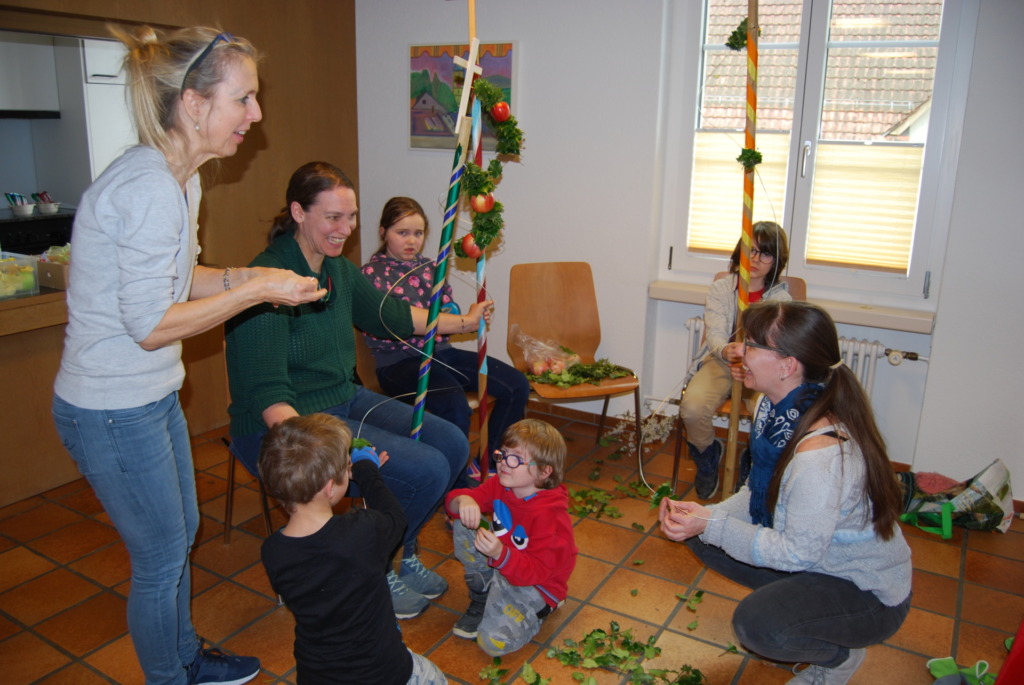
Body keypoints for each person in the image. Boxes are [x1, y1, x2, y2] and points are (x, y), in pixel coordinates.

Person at [50, 26, 325, 685]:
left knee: (182, 533)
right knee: (159, 554)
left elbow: (180, 280)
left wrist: (252, 278)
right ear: (196, 104)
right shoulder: (146, 188)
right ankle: (169, 674)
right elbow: (150, 325)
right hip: (110, 406)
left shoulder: (181, 179)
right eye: (245, 99)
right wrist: (258, 286)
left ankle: (183, 656)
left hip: (146, 395)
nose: (255, 116)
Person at [225, 161, 492, 619]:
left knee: (449, 441)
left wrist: (465, 321)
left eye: (351, 218)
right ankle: (375, 568)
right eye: (333, 217)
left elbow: (396, 315)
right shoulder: (265, 281)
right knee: (426, 467)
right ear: (298, 212)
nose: (345, 229)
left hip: (342, 400)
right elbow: (268, 396)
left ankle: (401, 553)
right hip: (283, 427)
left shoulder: (340, 272)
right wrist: (335, 452)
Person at [659, 301, 912, 685]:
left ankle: (836, 656)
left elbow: (797, 552)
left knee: (758, 627)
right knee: (700, 532)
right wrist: (706, 519)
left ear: (786, 365)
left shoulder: (819, 457)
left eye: (753, 344)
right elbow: (757, 489)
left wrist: (713, 522)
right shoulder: (770, 406)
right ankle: (803, 613)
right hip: (817, 559)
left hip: (865, 591)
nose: (740, 350)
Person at [258, 414, 447, 685]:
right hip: (381, 670)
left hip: (317, 675)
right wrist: (368, 470)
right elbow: (395, 517)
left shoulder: (273, 550)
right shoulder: (362, 532)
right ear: (329, 487)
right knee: (434, 678)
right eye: (346, 467)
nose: (350, 470)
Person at [361, 196, 530, 482]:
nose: (411, 241)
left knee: (515, 386)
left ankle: (484, 464)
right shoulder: (370, 275)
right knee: (454, 404)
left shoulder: (431, 269)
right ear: (383, 232)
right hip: (400, 363)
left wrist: (470, 318)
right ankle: (455, 483)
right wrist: (464, 321)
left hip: (441, 353)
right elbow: (402, 322)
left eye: (418, 233)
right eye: (401, 233)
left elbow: (447, 317)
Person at [444, 419, 578, 657]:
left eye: (515, 458)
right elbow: (455, 503)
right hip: (504, 561)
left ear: (544, 471)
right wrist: (465, 501)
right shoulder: (501, 484)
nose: (505, 463)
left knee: (492, 643)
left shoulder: (551, 518)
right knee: (465, 521)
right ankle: (484, 593)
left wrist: (499, 555)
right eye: (503, 454)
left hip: (536, 584)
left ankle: (542, 609)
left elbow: (537, 571)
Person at [679, 221, 792, 499]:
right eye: (750, 250)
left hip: (761, 369)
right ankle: (707, 454)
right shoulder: (721, 288)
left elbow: (778, 346)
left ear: (777, 261)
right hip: (721, 362)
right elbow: (715, 333)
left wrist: (753, 357)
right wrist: (725, 350)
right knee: (692, 408)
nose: (755, 259)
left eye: (765, 254)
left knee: (767, 414)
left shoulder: (782, 300)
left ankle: (752, 460)